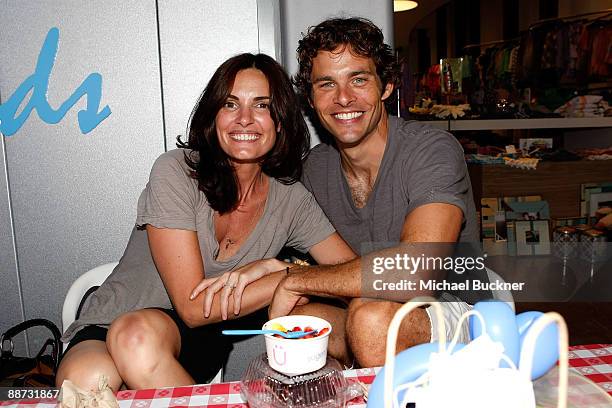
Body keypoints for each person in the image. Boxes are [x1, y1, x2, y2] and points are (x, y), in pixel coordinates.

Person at [57, 53, 355, 391]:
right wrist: (287, 277)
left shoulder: (291, 199)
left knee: (135, 341)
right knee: (87, 382)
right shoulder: (176, 171)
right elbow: (194, 307)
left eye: (261, 105)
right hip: (111, 322)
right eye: (230, 105)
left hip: (196, 341)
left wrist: (294, 276)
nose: (244, 119)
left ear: (281, 122)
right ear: (213, 117)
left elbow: (355, 273)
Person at [268, 17, 491, 367]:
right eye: (326, 84)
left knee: (371, 318)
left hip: (458, 309)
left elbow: (417, 270)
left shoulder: (431, 148)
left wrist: (298, 280)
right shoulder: (314, 168)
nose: (343, 98)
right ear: (311, 99)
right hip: (366, 308)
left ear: (386, 86)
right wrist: (266, 271)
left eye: (359, 79)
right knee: (300, 321)